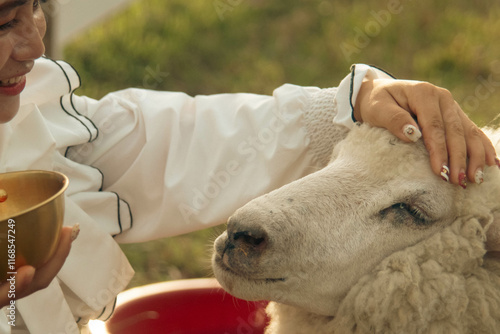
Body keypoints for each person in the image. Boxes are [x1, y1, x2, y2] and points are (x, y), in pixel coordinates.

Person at [0, 0, 498, 332]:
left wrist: (351, 104)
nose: (35, 47)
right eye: (3, 20)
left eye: (36, 5)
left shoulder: (34, 124)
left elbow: (154, 141)